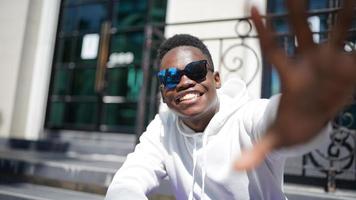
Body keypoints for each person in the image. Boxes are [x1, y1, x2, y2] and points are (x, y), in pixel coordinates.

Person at [106, 1, 356, 199]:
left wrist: (306, 109)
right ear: (163, 92)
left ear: (216, 79)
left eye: (194, 70)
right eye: (170, 77)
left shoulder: (247, 117)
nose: (183, 82)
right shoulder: (163, 128)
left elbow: (272, 118)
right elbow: (129, 180)